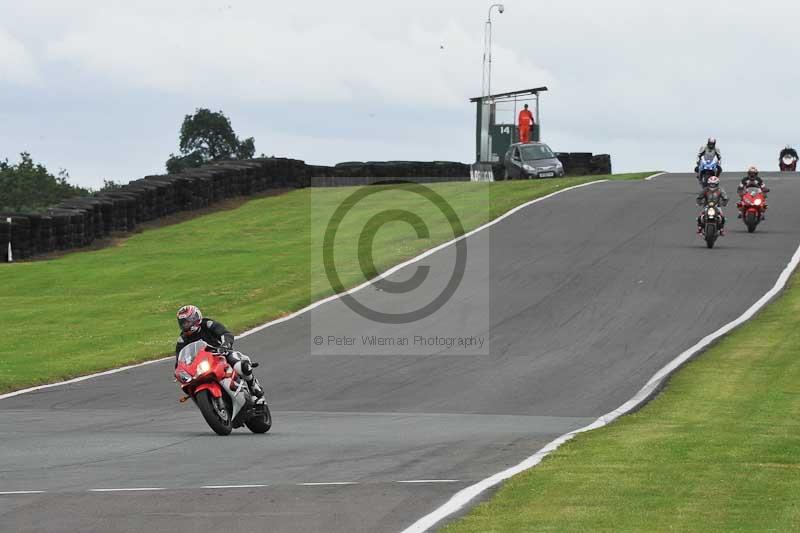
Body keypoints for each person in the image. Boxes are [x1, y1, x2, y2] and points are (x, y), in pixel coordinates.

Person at [175, 305, 264, 400]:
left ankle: (253, 384)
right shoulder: (182, 339)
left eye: (187, 322)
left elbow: (225, 334)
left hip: (220, 354)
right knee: (190, 384)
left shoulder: (208, 324)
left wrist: (224, 345)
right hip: (200, 364)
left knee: (239, 365)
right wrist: (179, 371)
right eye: (183, 323)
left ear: (195, 318)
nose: (185, 325)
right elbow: (179, 360)